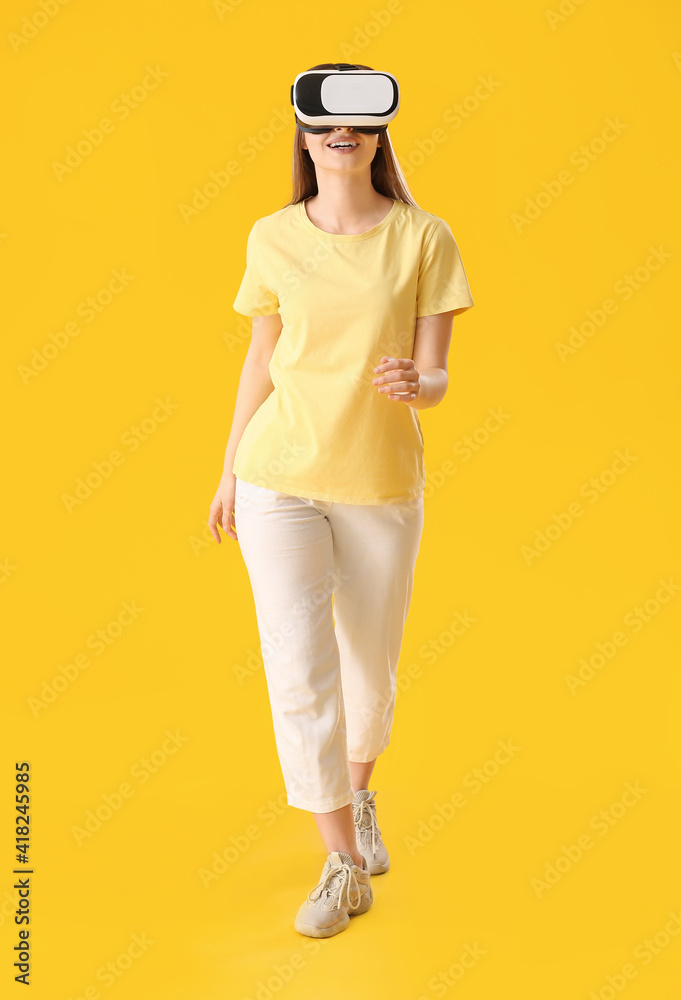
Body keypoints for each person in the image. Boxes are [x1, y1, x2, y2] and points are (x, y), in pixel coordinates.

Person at [208, 61, 474, 938]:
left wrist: (418, 382)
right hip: (275, 475)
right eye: (326, 123)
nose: (341, 135)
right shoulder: (273, 236)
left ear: (376, 137)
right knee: (296, 666)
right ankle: (336, 863)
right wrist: (226, 472)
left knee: (368, 669)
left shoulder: (423, 237)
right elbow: (260, 359)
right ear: (304, 132)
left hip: (379, 481)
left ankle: (359, 797)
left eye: (358, 125)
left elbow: (436, 373)